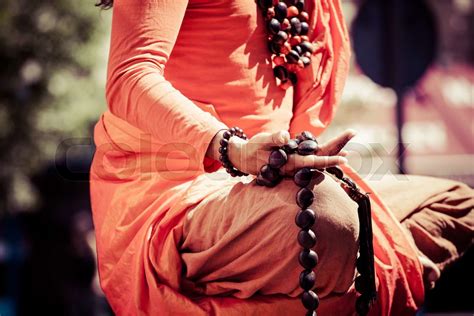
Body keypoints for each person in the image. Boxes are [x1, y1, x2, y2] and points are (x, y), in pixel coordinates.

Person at [89, 0, 474, 314]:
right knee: (329, 220)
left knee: (458, 205)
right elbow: (131, 76)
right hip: (183, 191)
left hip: (277, 189)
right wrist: (231, 148)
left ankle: (339, 288)